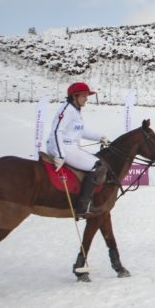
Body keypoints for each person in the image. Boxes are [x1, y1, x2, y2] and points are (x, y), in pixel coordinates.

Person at [46, 82, 110, 217]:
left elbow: (81, 131)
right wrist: (60, 154)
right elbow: (57, 131)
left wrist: (100, 137)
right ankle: (83, 205)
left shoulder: (75, 110)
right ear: (74, 96)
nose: (87, 99)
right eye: (84, 96)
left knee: (100, 163)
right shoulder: (67, 111)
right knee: (98, 167)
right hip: (63, 147)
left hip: (70, 147)